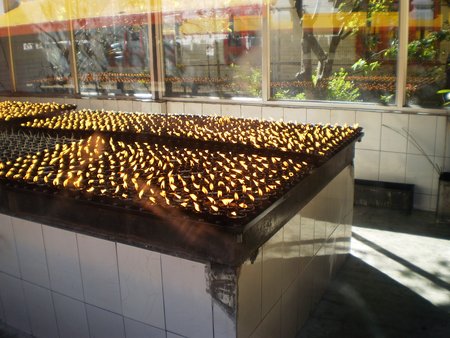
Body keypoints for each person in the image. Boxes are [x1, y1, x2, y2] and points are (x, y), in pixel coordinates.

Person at [293, 0, 328, 81]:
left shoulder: (305, 17)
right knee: (306, 43)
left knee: (307, 41)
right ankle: (320, 57)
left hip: (307, 36)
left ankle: (320, 56)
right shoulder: (304, 16)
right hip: (306, 37)